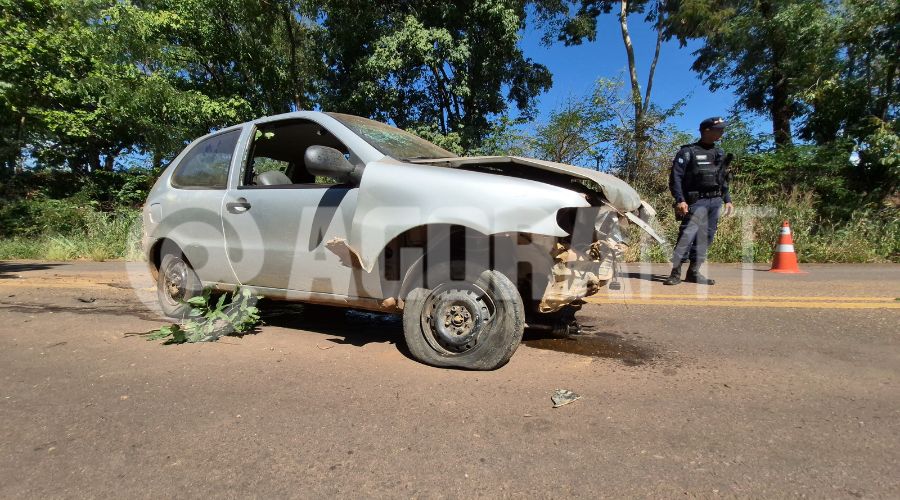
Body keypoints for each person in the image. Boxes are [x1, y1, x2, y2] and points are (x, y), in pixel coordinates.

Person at [663, 117, 735, 286]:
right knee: (686, 237)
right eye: (719, 129)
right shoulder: (688, 152)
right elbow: (676, 178)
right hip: (695, 202)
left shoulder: (719, 153)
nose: (722, 132)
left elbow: (722, 179)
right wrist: (680, 200)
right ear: (706, 130)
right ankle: (675, 273)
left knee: (706, 237)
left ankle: (693, 272)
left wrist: (727, 199)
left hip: (714, 201)